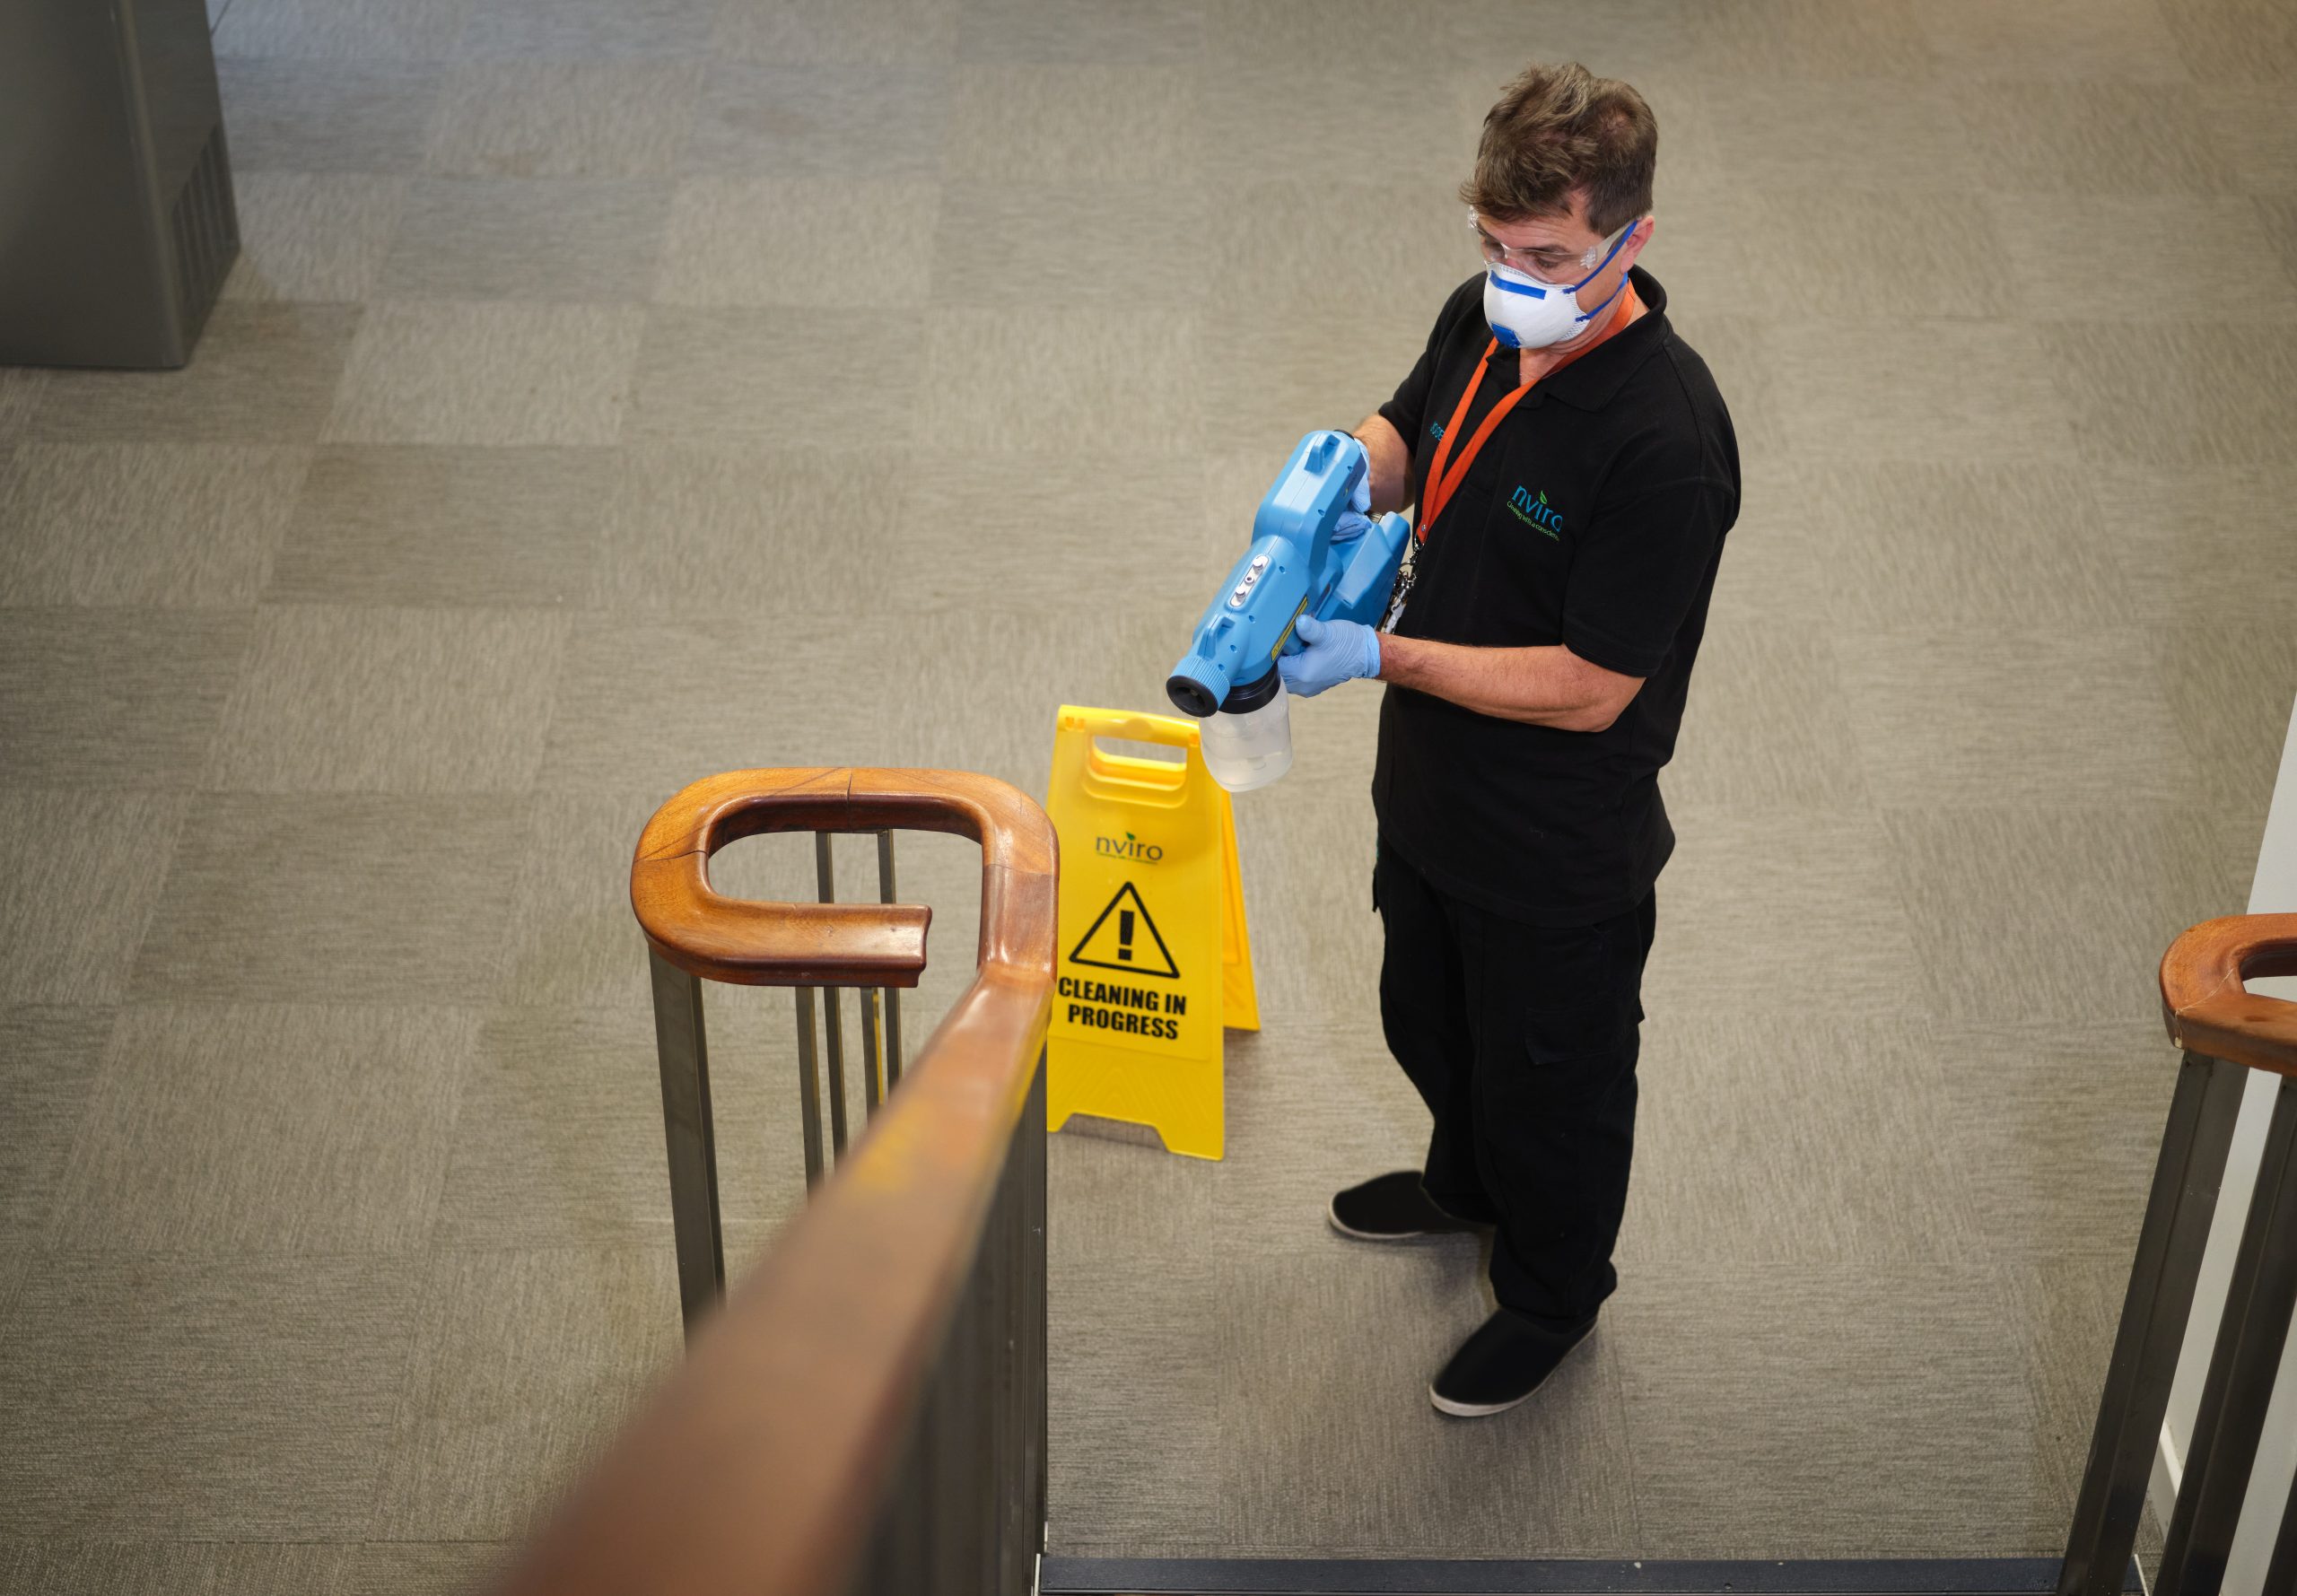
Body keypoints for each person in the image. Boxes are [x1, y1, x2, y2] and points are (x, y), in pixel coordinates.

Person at [1275, 61, 1740, 1417]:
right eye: (1494, 246)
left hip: (1554, 852)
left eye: (1548, 258)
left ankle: (1552, 1292)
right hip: (1432, 795)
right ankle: (1464, 1185)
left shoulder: (1667, 444)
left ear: (1631, 241)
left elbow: (1594, 686)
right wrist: (1329, 480)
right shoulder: (1482, 318)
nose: (1511, 280)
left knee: (1552, 1092)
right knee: (1426, 1020)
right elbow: (1410, 427)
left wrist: (1378, 655)